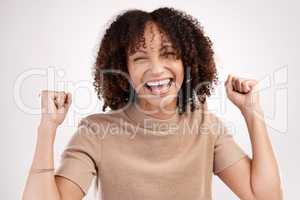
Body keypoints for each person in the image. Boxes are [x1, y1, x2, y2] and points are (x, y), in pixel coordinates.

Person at [22, 7, 282, 200]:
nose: (157, 69)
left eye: (169, 54)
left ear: (187, 63)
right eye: (140, 58)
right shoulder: (96, 132)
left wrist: (252, 113)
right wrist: (47, 129)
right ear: (123, 69)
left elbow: (266, 197)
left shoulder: (205, 127)